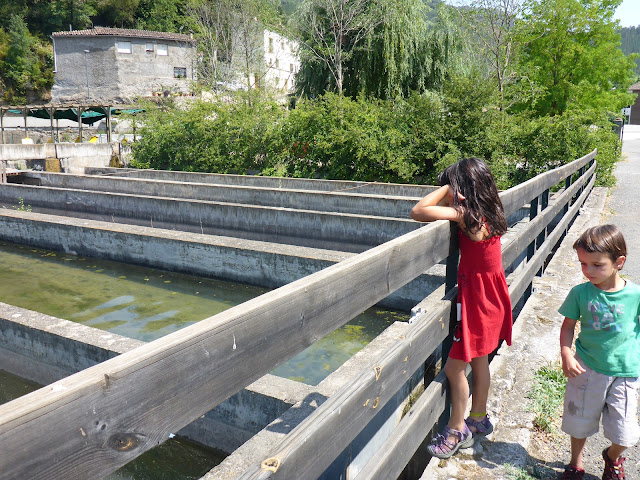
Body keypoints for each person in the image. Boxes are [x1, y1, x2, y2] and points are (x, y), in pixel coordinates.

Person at [410, 157, 512, 459]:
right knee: (480, 362)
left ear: (462, 190)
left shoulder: (466, 214)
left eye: (454, 187)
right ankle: (478, 418)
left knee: (455, 368)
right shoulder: (492, 212)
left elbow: (418, 210)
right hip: (494, 298)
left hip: (478, 303)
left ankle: (457, 429)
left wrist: (445, 190)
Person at [558, 224, 640, 480]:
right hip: (587, 368)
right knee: (579, 421)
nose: (588, 271)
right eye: (583, 264)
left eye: (596, 264)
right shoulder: (580, 293)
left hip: (625, 372)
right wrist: (566, 354)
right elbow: (568, 326)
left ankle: (612, 457)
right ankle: (576, 462)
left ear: (619, 262)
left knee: (625, 433)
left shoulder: (635, 295)